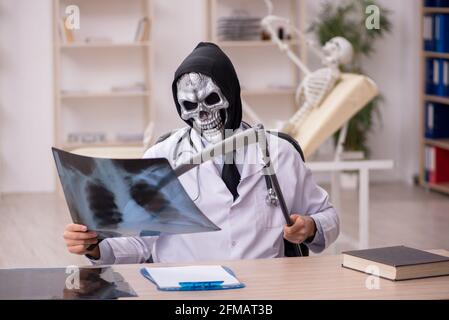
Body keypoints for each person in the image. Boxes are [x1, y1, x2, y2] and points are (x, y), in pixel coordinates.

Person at [63, 42, 339, 264]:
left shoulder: (280, 153)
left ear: (231, 93)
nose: (203, 114)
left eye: (211, 100)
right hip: (184, 293)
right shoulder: (163, 157)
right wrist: (95, 248)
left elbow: (328, 216)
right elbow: (139, 242)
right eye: (189, 105)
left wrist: (311, 226)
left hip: (264, 293)